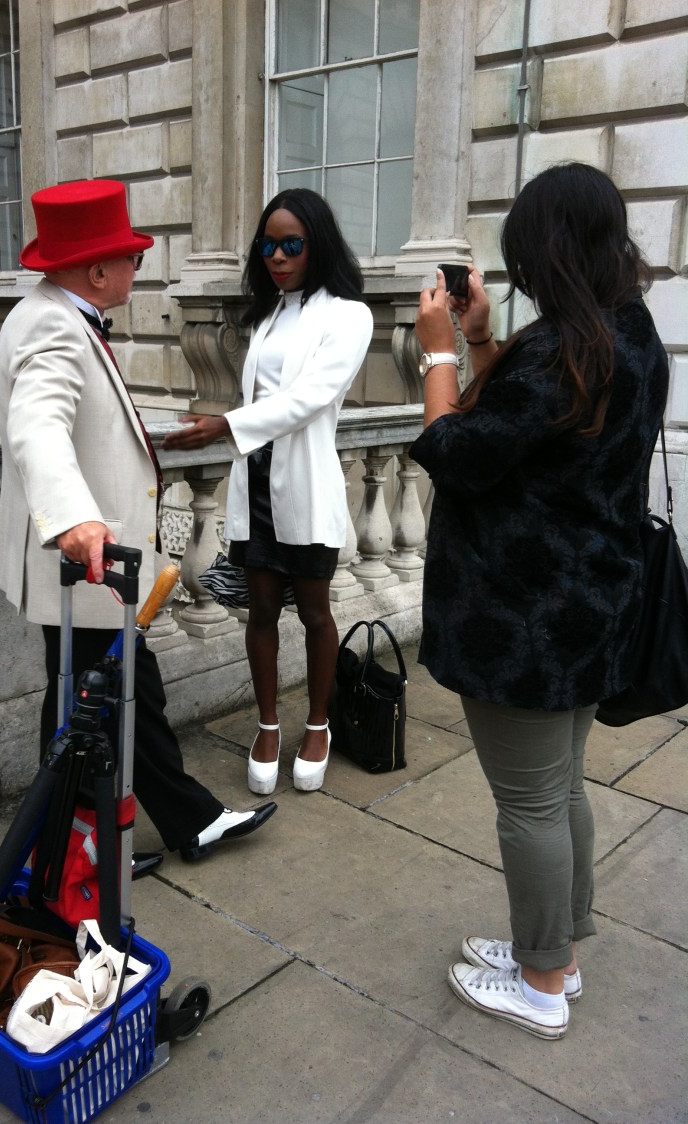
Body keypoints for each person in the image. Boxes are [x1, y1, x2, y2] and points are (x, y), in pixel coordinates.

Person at [410, 163, 669, 1039]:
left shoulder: (565, 350)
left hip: (519, 622)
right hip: (591, 608)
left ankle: (542, 979)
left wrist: (440, 348)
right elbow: (527, 431)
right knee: (559, 792)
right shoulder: (626, 334)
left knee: (529, 803)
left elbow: (456, 449)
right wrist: (485, 341)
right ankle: (558, 947)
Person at [0, 179, 276, 867]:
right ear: (96, 270)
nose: (136, 269)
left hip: (96, 574)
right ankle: (69, 858)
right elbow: (39, 426)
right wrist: (74, 519)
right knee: (87, 711)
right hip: (86, 565)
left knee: (109, 703)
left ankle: (132, 838)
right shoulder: (53, 325)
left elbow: (83, 425)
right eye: (130, 258)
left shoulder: (57, 315)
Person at [163, 188, 373, 794]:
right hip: (255, 486)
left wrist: (225, 424)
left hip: (304, 488)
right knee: (258, 611)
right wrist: (231, 426)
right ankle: (267, 725)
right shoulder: (269, 315)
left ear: (317, 246)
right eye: (268, 245)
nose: (277, 256)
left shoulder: (348, 315)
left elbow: (309, 400)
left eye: (292, 245)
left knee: (313, 612)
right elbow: (265, 402)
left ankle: (317, 724)